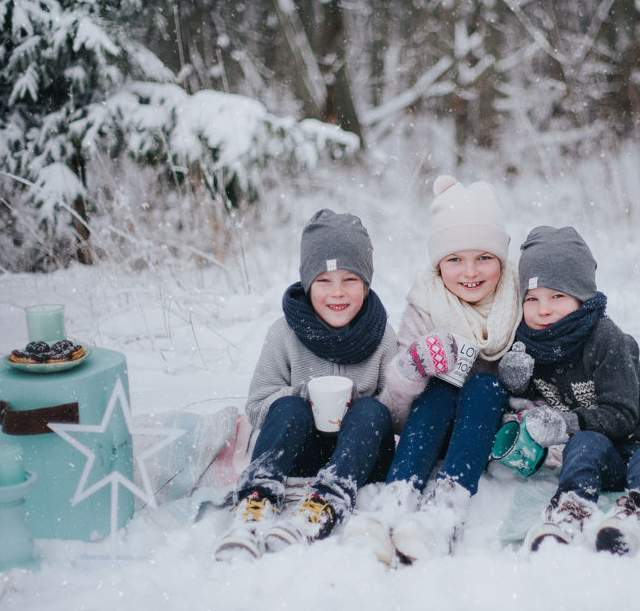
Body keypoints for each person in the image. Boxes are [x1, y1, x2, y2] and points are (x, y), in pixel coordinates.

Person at [344, 175, 522, 565]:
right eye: (454, 259)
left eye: (484, 257)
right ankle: (397, 496)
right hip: (427, 427)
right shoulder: (425, 304)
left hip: (492, 432)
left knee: (484, 388)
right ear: (438, 263)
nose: (470, 271)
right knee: (440, 389)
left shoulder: (520, 301)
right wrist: (412, 367)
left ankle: (446, 510)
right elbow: (393, 410)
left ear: (502, 259)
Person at [496, 225, 640, 555]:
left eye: (557, 296)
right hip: (608, 452)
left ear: (581, 296)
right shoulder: (530, 343)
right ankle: (571, 508)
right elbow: (532, 399)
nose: (543, 309)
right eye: (532, 299)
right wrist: (516, 381)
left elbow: (622, 415)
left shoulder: (605, 338)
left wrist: (564, 423)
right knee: (585, 443)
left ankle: (638, 516)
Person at [214, 209, 398, 560]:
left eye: (350, 280)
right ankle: (256, 499)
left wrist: (367, 404)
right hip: (300, 454)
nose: (337, 293)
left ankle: (326, 503)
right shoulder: (283, 333)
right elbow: (256, 405)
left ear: (367, 283)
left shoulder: (383, 336)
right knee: (287, 407)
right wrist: (302, 395)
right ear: (307, 283)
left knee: (372, 409)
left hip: (359, 460)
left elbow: (396, 413)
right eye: (324, 281)